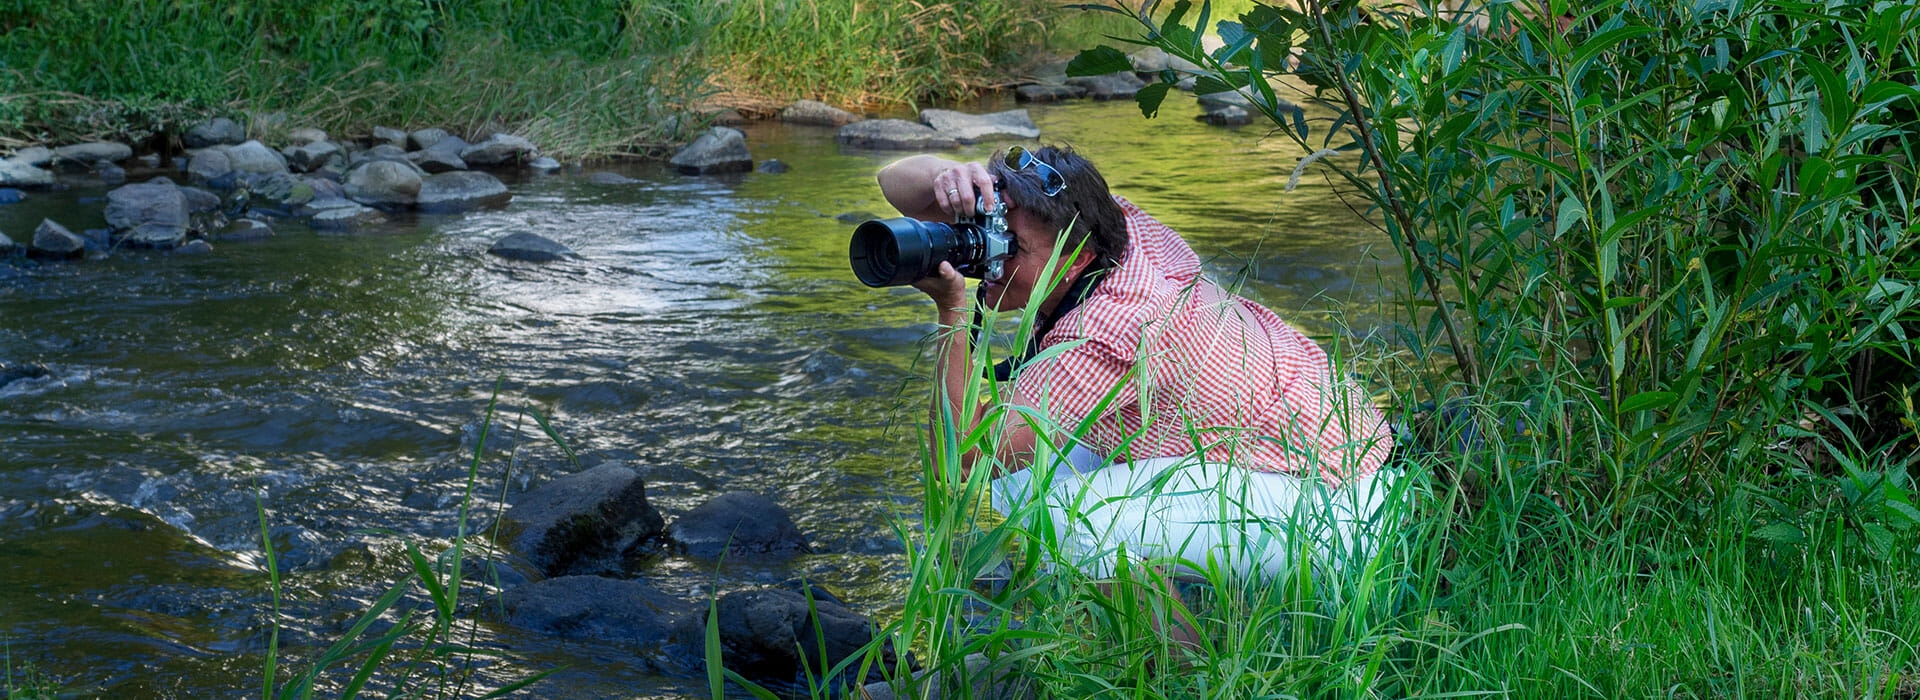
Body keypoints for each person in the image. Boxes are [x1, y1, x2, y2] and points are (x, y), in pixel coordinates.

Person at [875, 144, 1401, 592]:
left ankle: (1185, 677)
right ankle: (1142, 611)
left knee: (1072, 524)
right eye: (989, 232)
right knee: (1022, 481)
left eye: (1012, 247)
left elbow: (959, 460)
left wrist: (955, 313)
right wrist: (958, 176)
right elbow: (892, 182)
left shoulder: (1109, 330)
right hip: (1331, 446)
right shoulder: (1111, 223)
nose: (991, 257)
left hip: (1340, 510)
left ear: (1074, 256)